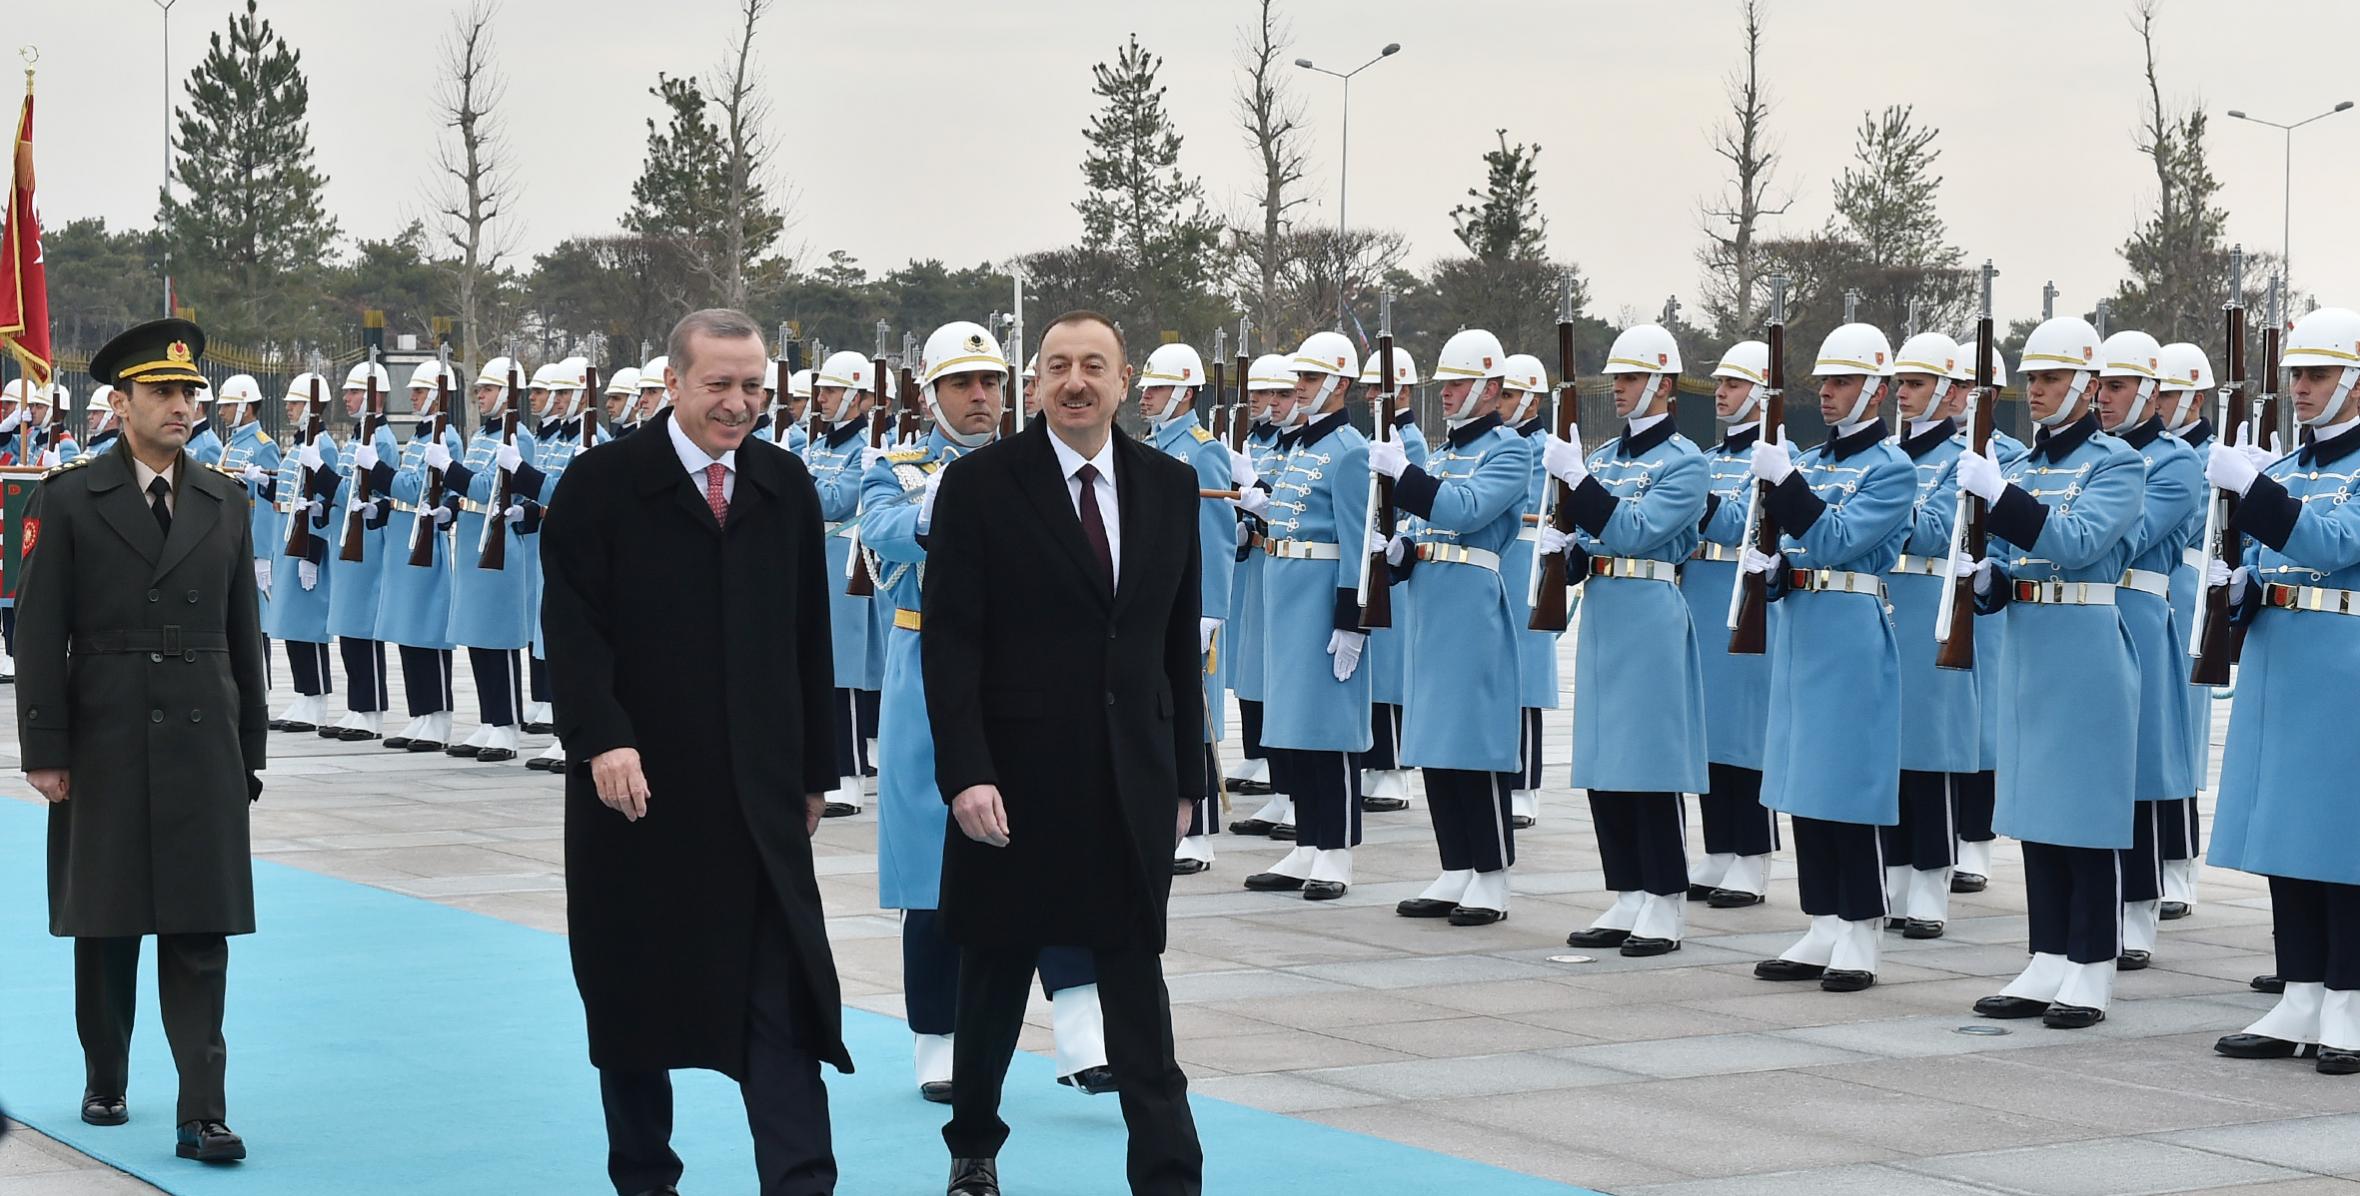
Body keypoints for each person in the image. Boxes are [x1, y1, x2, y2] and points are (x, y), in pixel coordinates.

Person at [541, 309, 849, 1194]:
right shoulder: (603, 485)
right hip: (637, 796)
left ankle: (799, 1182)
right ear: (672, 381)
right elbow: (572, 629)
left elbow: (808, 638)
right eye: (719, 384)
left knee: (782, 1002)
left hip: (758, 799)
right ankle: (645, 1178)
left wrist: (815, 773)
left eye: (753, 386)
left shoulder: (782, 485)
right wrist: (602, 739)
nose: (738, 403)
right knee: (635, 1002)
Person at [923, 309, 1204, 1196]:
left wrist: (1188, 779)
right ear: (1034, 383)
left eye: (1095, 365)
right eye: (1056, 366)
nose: (1075, 381)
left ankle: (1167, 1170)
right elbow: (952, 646)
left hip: (1131, 777)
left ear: (1125, 383)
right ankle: (974, 1149)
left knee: (1134, 982)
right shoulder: (981, 488)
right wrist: (965, 772)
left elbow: (1172, 645)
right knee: (996, 975)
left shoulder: (1169, 486)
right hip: (1013, 779)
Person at [15, 317, 269, 1163]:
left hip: (202, 738)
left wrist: (251, 749)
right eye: (162, 392)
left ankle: (203, 1111)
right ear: (118, 403)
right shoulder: (67, 499)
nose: (182, 406)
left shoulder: (224, 501)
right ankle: (107, 1075)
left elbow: (244, 638)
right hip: (107, 732)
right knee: (108, 923)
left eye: (189, 392)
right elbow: (38, 632)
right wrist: (45, 749)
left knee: (200, 930)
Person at [866, 321, 1112, 1103]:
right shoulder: (899, 469)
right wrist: (938, 506)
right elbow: (881, 534)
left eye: (992, 384)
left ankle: (1081, 1028)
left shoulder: (1045, 466)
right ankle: (937, 1038)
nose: (981, 398)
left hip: (1030, 674)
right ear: (929, 393)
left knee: (1057, 844)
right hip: (929, 667)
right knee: (935, 860)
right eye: (962, 385)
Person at [1957, 315, 2145, 1029]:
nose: (2035, 390)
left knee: (2085, 812)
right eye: (2031, 378)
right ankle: (2047, 956)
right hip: (2032, 641)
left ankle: (2092, 965)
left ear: (2087, 386)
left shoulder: (2117, 463)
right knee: (2037, 807)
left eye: (2051, 378)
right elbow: (2021, 568)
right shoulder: (2029, 466)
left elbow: (2077, 541)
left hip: (2087, 645)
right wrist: (1986, 579)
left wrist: (1999, 497)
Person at [2204, 305, 2360, 1074]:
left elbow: (2335, 547)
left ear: (2354, 382)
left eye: (2318, 373)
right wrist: (2237, 588)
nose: (2300, 386)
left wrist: (2255, 493)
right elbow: (2273, 568)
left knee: (2341, 838)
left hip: (2343, 667)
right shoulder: (2290, 469)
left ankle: (2349, 999)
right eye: (2296, 373)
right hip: (2282, 663)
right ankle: (2300, 991)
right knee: (2289, 840)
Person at [1746, 323, 1915, 993]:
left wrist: (1786, 483)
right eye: (1823, 381)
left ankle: (1861, 928)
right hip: (1805, 625)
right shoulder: (1815, 463)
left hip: (1849, 627)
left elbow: (1840, 539)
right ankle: (1821, 920)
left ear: (1875, 391)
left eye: (1841, 381)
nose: (1827, 393)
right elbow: (1802, 547)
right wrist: (1775, 568)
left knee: (1849, 782)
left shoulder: (1891, 468)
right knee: (1805, 781)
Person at [1544, 323, 1710, 957]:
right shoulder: (1608, 459)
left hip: (1650, 609)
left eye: (1632, 377)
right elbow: (1597, 539)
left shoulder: (1686, 461)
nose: (1618, 388)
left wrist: (1578, 485)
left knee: (1650, 759)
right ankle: (1627, 891)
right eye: (1616, 377)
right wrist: (1570, 551)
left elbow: (1637, 530)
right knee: (1605, 756)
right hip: (1608, 609)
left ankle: (1665, 898)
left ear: (1664, 385)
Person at [1373, 328, 1534, 926]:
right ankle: (1455, 865)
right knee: (1436, 738)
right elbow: (1426, 531)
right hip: (1432, 600)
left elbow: (1466, 511)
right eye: (1444, 383)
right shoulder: (1440, 454)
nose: (1447, 393)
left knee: (1474, 740)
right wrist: (1399, 553)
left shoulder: (1510, 450)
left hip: (1471, 601)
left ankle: (1490, 874)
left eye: (1460, 382)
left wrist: (1406, 478)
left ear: (1492, 388)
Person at [1234, 331, 1374, 899]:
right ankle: (1307, 844)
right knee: (1292, 728)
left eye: (1310, 379)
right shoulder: (1300, 447)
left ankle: (1335, 852)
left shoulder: (1349, 450)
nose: (1298, 389)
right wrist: (1261, 508)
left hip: (1321, 600)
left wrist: (1350, 619)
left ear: (1339, 384)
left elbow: (1357, 540)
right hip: (1286, 593)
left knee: (1329, 731)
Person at [2090, 329, 2203, 969]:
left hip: (2136, 606)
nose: (2104, 398)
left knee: (2139, 774)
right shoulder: (2092, 456)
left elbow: (2124, 536)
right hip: (2092, 613)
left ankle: (2138, 910)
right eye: (2101, 386)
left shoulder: (2174, 460)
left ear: (2151, 393)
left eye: (2119, 386)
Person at [1881, 332, 1979, 939]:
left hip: (1931, 603)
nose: (1904, 395)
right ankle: (1892, 873)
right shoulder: (1890, 452)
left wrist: (1880, 502)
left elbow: (1939, 530)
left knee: (1929, 751)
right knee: (1887, 750)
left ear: (1947, 393)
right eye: (1901, 384)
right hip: (1887, 601)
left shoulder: (1961, 458)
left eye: (1917, 385)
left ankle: (1930, 882)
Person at [1680, 340, 1779, 908]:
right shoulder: (1711, 459)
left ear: (1761, 395)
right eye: (1720, 384)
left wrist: (1697, 503)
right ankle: (1719, 848)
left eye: (1734, 385)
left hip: (1742, 600)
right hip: (1700, 593)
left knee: (1744, 734)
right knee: (1708, 733)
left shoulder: (1769, 460)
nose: (1721, 393)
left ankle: (1753, 854)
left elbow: (1747, 523)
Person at [1136, 342, 1235, 872]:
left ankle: (1199, 833)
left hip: (1191, 606)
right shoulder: (1147, 447)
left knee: (1194, 717)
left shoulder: (1202, 451)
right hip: (1155, 605)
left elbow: (1217, 538)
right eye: (1146, 387)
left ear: (1186, 392)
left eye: (1156, 387)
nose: (1145, 396)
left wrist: (1209, 611)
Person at [437, 355, 538, 763]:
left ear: (509, 394)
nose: (479, 395)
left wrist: (450, 470)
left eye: (488, 389)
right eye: (479, 389)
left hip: (500, 539)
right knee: (478, 635)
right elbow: (472, 489)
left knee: (499, 636)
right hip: (474, 536)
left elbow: (491, 487)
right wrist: (450, 504)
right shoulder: (482, 436)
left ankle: (508, 726)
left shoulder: (519, 437)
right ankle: (489, 719)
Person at [377, 360, 467, 753]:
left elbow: (418, 488)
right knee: (408, 629)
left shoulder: (446, 437)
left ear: (437, 394)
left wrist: (378, 474)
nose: (412, 397)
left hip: (424, 536)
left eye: (418, 391)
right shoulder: (418, 438)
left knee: (428, 628)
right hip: (403, 534)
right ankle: (420, 714)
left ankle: (440, 717)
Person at [2156, 341, 2217, 918]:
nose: (2160, 401)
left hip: (2191, 595)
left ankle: (2179, 866)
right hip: (2156, 593)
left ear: (2195, 397)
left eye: (2170, 393)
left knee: (2185, 740)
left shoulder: (2217, 454)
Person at [806, 349, 880, 816]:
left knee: (847, 681)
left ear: (856, 398)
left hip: (848, 575)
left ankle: (849, 781)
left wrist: (798, 475)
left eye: (831, 391)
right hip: (818, 571)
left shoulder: (867, 450)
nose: (822, 399)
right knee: (821, 677)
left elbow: (836, 501)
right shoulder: (821, 447)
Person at [1356, 347, 1428, 816]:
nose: (1368, 395)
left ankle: (1395, 771)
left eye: (1376, 387)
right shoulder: (1378, 436)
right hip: (1375, 556)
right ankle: (1376, 763)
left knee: (1390, 675)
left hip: (1394, 561)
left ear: (1400, 390)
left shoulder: (1410, 442)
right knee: (1375, 672)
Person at [1222, 355, 1293, 827]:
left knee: (1283, 678)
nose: (1261, 404)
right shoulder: (1254, 441)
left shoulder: (1302, 446)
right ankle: (1265, 762)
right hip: (1260, 561)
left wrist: (1258, 496)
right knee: (1253, 668)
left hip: (1289, 563)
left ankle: (1295, 791)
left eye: (1274, 394)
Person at [322, 360, 399, 742]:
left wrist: (324, 480)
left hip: (366, 541)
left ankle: (371, 710)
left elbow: (371, 494)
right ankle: (357, 706)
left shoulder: (381, 440)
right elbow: (346, 492)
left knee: (363, 625)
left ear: (375, 395)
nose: (347, 398)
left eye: (354, 392)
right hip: (346, 537)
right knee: (349, 625)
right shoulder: (356, 438)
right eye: (348, 392)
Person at [1495, 354, 1555, 830]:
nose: (1501, 403)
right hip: (1502, 557)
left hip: (1528, 559)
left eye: (1510, 396)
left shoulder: (1548, 448)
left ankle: (1526, 785)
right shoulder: (1499, 445)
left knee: (1526, 680)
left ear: (1532, 400)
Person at [261, 372, 337, 732]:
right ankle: (303, 694)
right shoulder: (299, 446)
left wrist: (313, 553)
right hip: (287, 537)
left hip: (306, 544)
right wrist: (266, 483)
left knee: (309, 625)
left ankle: (317, 697)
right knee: (291, 623)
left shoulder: (324, 447)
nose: (289, 408)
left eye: (295, 402)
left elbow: (325, 503)